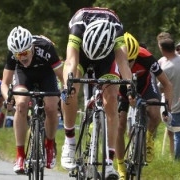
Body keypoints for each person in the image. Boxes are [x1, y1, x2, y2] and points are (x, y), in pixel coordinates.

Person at [61, 7, 133, 178]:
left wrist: (130, 87)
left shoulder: (116, 30)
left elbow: (123, 62)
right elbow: (71, 61)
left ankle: (109, 162)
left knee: (112, 100)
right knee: (70, 90)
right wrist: (68, 86)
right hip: (82, 54)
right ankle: (69, 141)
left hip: (106, 57)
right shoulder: (78, 25)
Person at [1, 26, 63, 173]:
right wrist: (8, 98)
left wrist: (66, 88)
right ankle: (20, 155)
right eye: (18, 55)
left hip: (46, 73)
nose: (22, 57)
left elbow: (62, 75)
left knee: (51, 107)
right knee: (21, 104)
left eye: (25, 52)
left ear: (32, 46)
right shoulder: (13, 53)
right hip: (24, 75)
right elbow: (4, 83)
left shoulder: (46, 47)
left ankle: (49, 144)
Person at [116, 32, 172, 179]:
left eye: (132, 61)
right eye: (125, 61)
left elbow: (167, 84)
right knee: (119, 126)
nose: (128, 65)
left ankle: (148, 138)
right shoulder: (113, 58)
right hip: (122, 88)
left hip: (144, 85)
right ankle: (121, 167)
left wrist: (168, 109)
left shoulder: (146, 57)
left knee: (155, 114)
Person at [157, 35, 180, 160]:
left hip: (177, 106)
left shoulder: (166, 68)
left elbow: (160, 88)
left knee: (179, 134)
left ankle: (179, 162)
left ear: (162, 49)